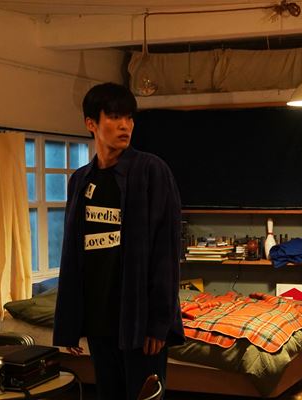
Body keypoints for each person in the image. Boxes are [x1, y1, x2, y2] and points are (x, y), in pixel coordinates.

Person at [53, 82, 185, 400]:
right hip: (99, 320)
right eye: (114, 117)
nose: (125, 125)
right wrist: (70, 324)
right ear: (91, 123)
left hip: (138, 320)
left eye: (129, 118)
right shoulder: (80, 180)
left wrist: (159, 323)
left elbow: (166, 252)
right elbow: (72, 253)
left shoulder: (151, 171)